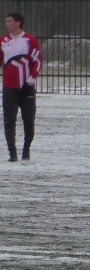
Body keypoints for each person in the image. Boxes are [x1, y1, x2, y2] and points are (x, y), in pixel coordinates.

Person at [1, 12, 41, 162]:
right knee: (9, 120)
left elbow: (37, 60)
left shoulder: (30, 40)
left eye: (9, 21)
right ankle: (12, 153)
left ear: (18, 23)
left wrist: (33, 76)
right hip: (9, 87)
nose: (7, 24)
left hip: (26, 87)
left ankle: (26, 150)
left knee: (28, 120)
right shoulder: (3, 40)